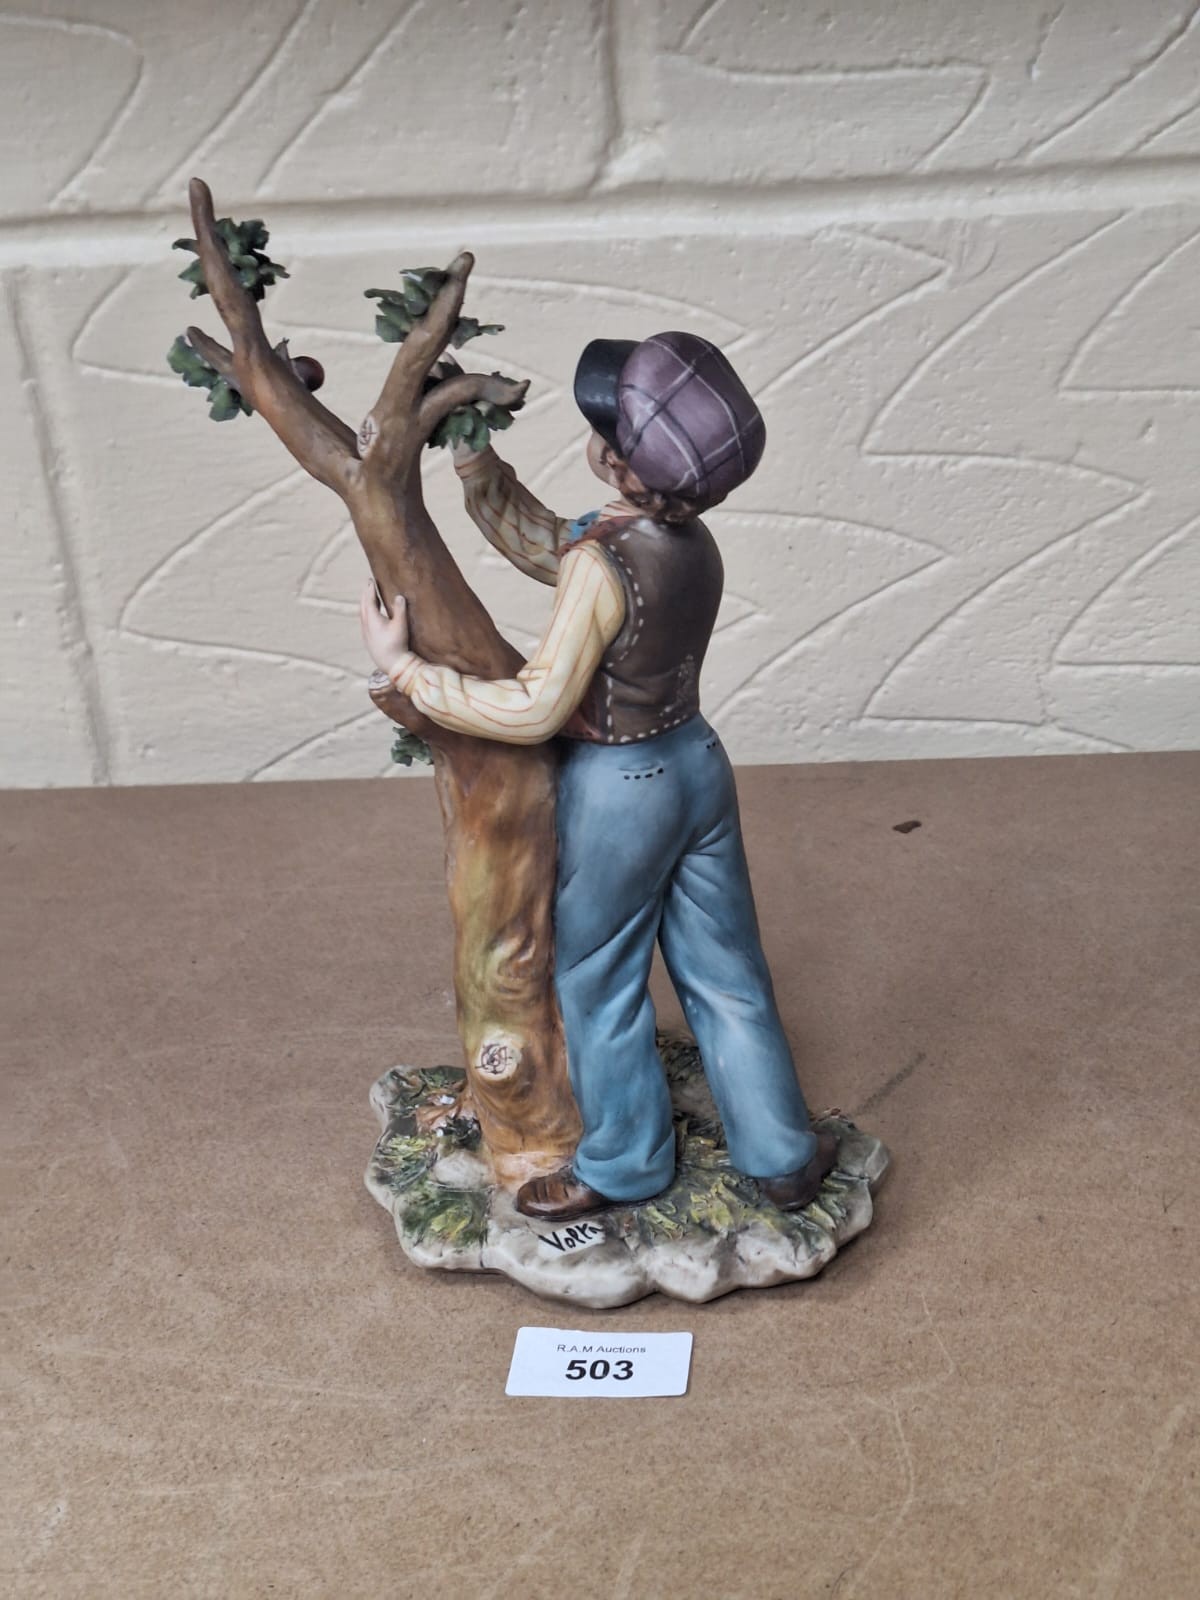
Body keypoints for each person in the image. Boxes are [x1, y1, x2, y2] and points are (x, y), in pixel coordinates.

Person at [361, 331, 835, 1222]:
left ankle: (623, 1162)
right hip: (698, 763)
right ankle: (781, 1154)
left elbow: (536, 707)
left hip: (622, 789)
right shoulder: (689, 541)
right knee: (727, 972)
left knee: (600, 978)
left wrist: (411, 676)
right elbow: (558, 542)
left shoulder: (602, 562)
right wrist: (475, 462)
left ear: (619, 461)